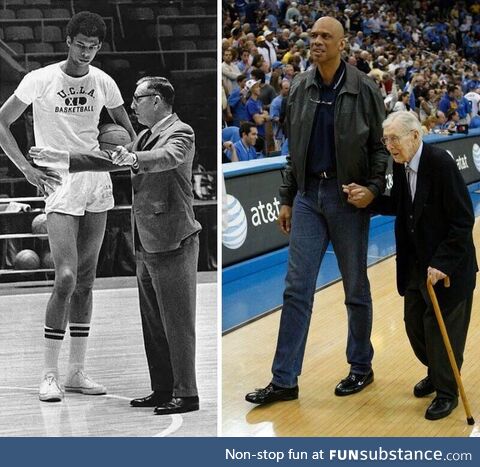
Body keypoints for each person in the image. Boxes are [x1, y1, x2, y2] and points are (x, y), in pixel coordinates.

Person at [31, 76, 202, 416]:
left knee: (178, 323)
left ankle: (187, 393)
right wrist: (62, 158)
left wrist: (134, 159)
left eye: (137, 98)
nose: (132, 105)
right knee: (153, 323)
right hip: (147, 239)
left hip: (174, 238)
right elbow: (106, 161)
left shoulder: (180, 133)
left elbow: (166, 158)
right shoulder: (144, 136)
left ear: (156, 99)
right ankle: (163, 388)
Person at [245, 17, 387, 405]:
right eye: (313, 36)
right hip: (309, 195)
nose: (317, 42)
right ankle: (284, 380)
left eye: (325, 37)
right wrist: (288, 196)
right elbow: (293, 151)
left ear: (342, 44)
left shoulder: (365, 88)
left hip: (347, 195)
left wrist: (373, 189)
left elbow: (380, 147)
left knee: (355, 288)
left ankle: (361, 367)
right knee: (296, 289)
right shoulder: (300, 88)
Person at [0, 11, 136, 402]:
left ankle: (77, 371)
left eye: (93, 47)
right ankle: (48, 373)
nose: (86, 53)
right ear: (68, 40)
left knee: (88, 280)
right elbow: (2, 121)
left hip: (97, 181)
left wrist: (120, 147)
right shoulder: (39, 79)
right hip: (60, 181)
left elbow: (127, 131)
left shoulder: (104, 82)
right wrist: (26, 169)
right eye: (80, 46)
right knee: (65, 278)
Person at [366, 111, 477, 420]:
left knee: (441, 332)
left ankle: (446, 391)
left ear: (415, 136)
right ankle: (438, 370)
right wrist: (369, 200)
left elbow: (463, 219)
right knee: (415, 325)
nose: (389, 145)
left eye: (394, 139)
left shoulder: (440, 164)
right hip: (416, 264)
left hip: (449, 267)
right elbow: (402, 206)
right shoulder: (401, 165)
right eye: (385, 139)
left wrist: (442, 262)